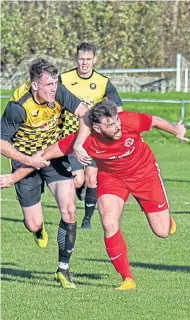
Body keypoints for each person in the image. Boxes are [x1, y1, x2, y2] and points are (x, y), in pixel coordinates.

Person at [0, 99, 188, 290]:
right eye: (110, 125)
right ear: (96, 128)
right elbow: (44, 155)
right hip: (112, 178)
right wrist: (13, 178)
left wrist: (176, 130)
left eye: (116, 121)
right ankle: (127, 278)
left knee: (162, 231)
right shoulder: (82, 141)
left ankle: (166, 220)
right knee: (109, 222)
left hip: (145, 175)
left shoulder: (130, 120)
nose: (117, 127)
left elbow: (154, 120)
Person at [0, 58, 90, 288]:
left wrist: (77, 144)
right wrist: (28, 159)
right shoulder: (18, 106)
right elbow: (2, 143)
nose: (53, 89)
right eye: (48, 84)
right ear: (34, 85)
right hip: (25, 161)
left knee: (69, 210)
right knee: (33, 223)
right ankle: (38, 230)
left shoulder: (58, 92)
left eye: (55, 83)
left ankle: (63, 269)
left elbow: (86, 115)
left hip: (54, 155)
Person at [60, 42, 123, 230]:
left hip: (92, 138)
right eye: (81, 59)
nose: (84, 63)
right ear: (76, 59)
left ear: (94, 59)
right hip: (70, 136)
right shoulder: (64, 79)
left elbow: (118, 108)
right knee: (79, 180)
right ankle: (78, 191)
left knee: (92, 179)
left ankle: (87, 220)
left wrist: (110, 127)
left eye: (88, 59)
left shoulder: (103, 82)